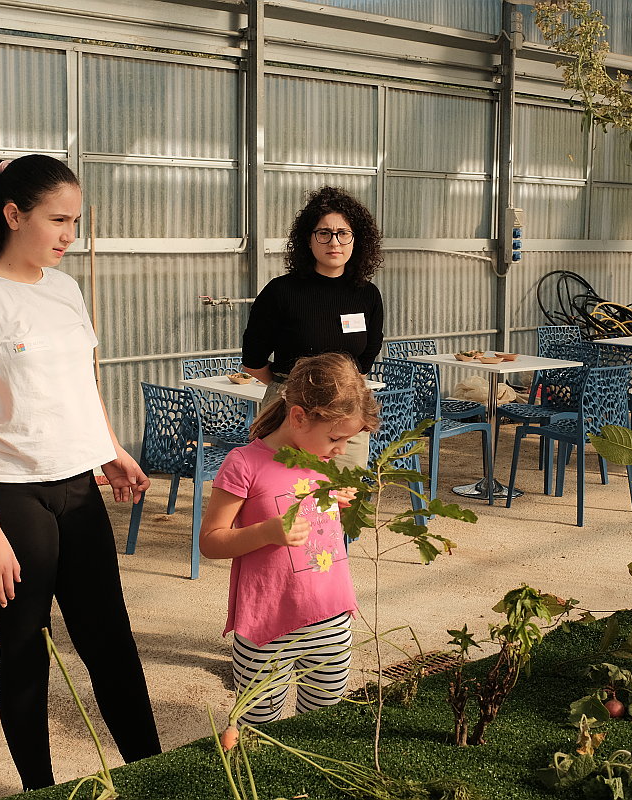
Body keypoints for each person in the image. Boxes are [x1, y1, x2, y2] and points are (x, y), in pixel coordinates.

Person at [0, 154, 160, 789]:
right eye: (58, 219)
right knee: (27, 649)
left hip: (78, 488)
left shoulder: (64, 287)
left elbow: (81, 385)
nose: (69, 234)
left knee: (109, 640)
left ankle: (154, 772)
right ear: (13, 215)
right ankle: (41, 786)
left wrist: (109, 447)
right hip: (12, 499)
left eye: (75, 220)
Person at [199, 353, 378, 724]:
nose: (342, 450)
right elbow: (211, 541)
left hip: (331, 618)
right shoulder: (244, 463)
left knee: (324, 727)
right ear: (298, 417)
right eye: (335, 437)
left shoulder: (323, 461)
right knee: (258, 728)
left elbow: (320, 539)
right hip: (266, 626)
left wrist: (342, 509)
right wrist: (266, 532)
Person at [241, 186, 385, 469]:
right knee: (285, 500)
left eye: (343, 233)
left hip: (347, 418)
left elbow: (368, 354)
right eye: (324, 233)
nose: (335, 242)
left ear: (356, 241)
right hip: (290, 411)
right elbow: (253, 359)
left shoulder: (367, 294)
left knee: (343, 500)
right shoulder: (281, 291)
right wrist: (291, 387)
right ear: (308, 240)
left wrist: (339, 391)